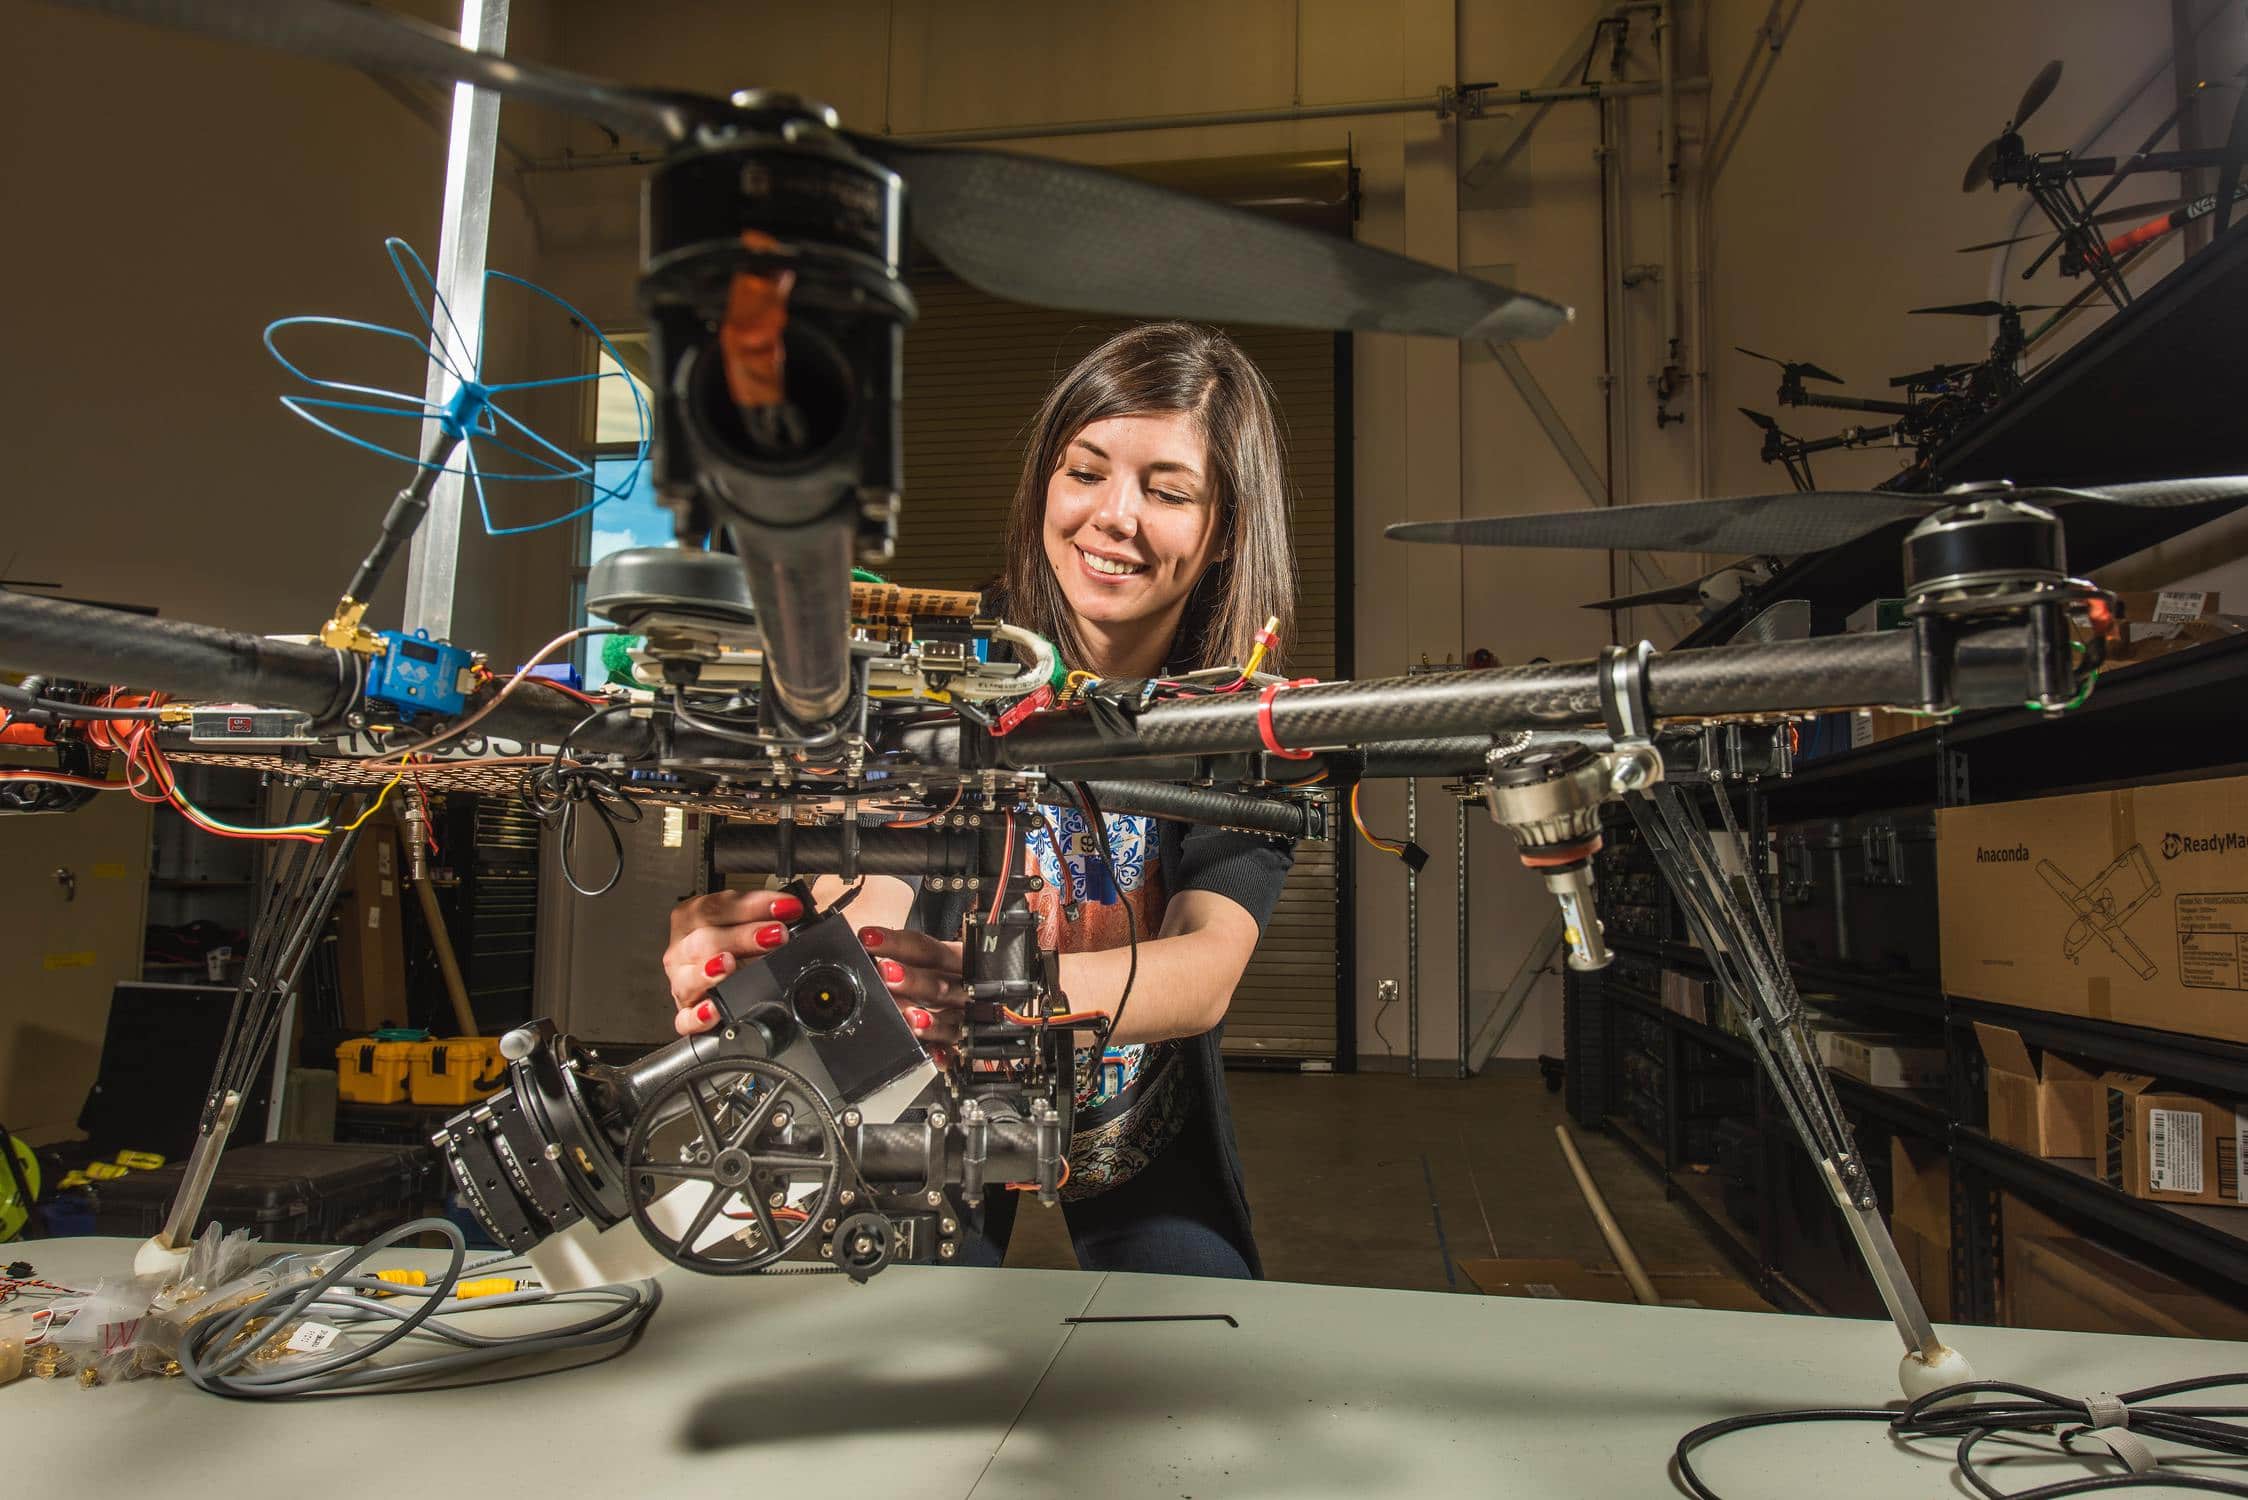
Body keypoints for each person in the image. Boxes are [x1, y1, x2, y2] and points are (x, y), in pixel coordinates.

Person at [661, 322, 1300, 1278]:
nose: (1113, 517)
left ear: (1223, 534)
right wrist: (772, 958)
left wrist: (1000, 1000)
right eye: (1084, 473)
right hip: (929, 1089)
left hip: (1135, 1104)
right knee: (873, 1327)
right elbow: (875, 899)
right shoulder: (934, 671)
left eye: (1166, 491)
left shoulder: (1242, 715)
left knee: (1194, 1344)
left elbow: (1206, 967)